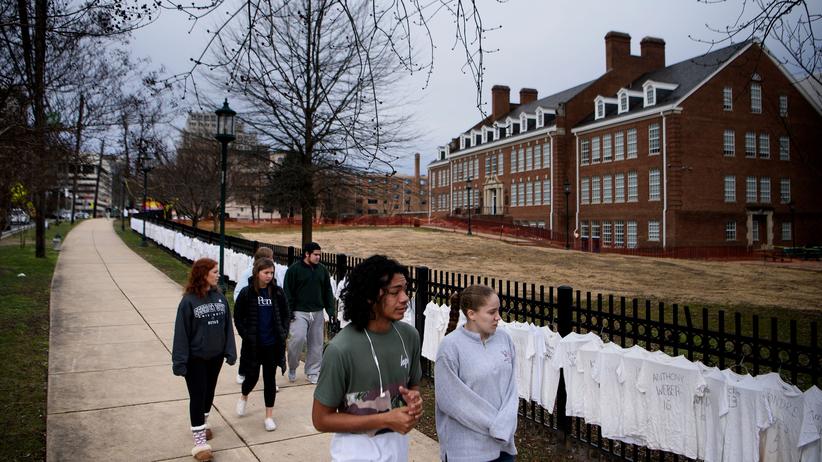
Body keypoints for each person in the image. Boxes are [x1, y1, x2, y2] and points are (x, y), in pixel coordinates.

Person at [312, 255, 423, 462]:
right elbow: (321, 419)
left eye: (406, 289)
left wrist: (414, 401)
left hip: (398, 451)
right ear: (371, 297)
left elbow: (414, 385)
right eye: (395, 292)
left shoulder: (410, 336)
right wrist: (384, 419)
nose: (405, 298)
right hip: (354, 454)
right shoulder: (340, 350)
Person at [435, 285, 518, 462]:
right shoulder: (450, 347)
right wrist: (496, 427)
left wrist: (505, 427)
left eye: (498, 311)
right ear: (471, 314)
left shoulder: (505, 339)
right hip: (467, 452)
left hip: (504, 447)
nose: (498, 318)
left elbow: (512, 389)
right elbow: (450, 400)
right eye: (491, 312)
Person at [172, 258, 237, 462]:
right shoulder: (188, 301)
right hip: (195, 359)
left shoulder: (219, 297)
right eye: (215, 272)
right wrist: (180, 361)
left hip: (215, 357)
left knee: (209, 393)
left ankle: (204, 423)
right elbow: (181, 333)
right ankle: (200, 443)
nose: (218, 275)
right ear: (203, 274)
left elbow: (227, 326)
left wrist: (230, 351)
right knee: (198, 396)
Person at [233, 257, 290, 431]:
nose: (269, 276)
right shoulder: (247, 292)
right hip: (254, 345)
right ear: (257, 273)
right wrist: (246, 335)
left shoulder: (278, 293)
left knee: (269, 380)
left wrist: (283, 333)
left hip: (272, 346)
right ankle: (244, 396)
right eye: (266, 273)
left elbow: (286, 314)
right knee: (251, 377)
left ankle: (269, 416)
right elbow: (238, 317)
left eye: (271, 273)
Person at [284, 241, 335, 384]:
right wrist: (289, 311)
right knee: (297, 339)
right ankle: (293, 367)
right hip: (299, 312)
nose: (318, 257)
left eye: (320, 255)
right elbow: (288, 292)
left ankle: (312, 372)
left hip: (317, 312)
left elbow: (327, 291)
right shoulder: (294, 270)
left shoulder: (322, 270)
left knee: (316, 344)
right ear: (307, 254)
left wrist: (330, 311)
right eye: (316, 255)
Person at [233, 246, 275, 384]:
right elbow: (238, 294)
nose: (273, 261)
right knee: (247, 349)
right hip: (251, 319)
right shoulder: (247, 275)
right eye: (270, 258)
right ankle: (242, 371)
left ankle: (269, 380)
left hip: (265, 318)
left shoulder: (271, 276)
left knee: (268, 353)